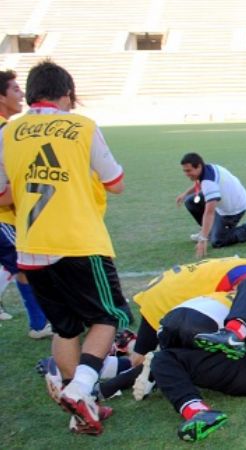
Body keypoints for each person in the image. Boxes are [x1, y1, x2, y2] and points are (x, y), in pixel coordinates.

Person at [0, 60, 129, 435]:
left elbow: (3, 194)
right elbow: (116, 182)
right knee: (109, 318)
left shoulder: (8, 132)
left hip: (30, 245)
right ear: (66, 94)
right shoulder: (82, 127)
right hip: (78, 241)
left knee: (66, 327)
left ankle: (82, 411)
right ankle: (81, 389)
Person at [89, 252, 246, 400]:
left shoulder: (244, 264)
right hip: (170, 304)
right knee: (159, 357)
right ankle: (101, 373)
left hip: (162, 293)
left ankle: (97, 369)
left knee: (140, 358)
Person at [150, 273, 246, 442]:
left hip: (244, 377)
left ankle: (197, 409)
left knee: (161, 358)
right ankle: (201, 413)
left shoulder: (208, 308)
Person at [0, 69, 52, 337]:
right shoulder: (4, 132)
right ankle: (39, 323)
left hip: (11, 216)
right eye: (15, 90)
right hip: (5, 218)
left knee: (21, 265)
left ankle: (39, 322)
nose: (21, 95)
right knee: (26, 265)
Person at [176, 152, 246, 258]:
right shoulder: (207, 168)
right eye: (184, 171)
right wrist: (185, 193)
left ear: (198, 166)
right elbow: (200, 182)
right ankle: (208, 232)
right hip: (231, 197)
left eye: (189, 171)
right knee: (191, 201)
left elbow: (209, 213)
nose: (186, 174)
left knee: (218, 241)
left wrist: (203, 239)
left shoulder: (209, 183)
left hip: (233, 209)